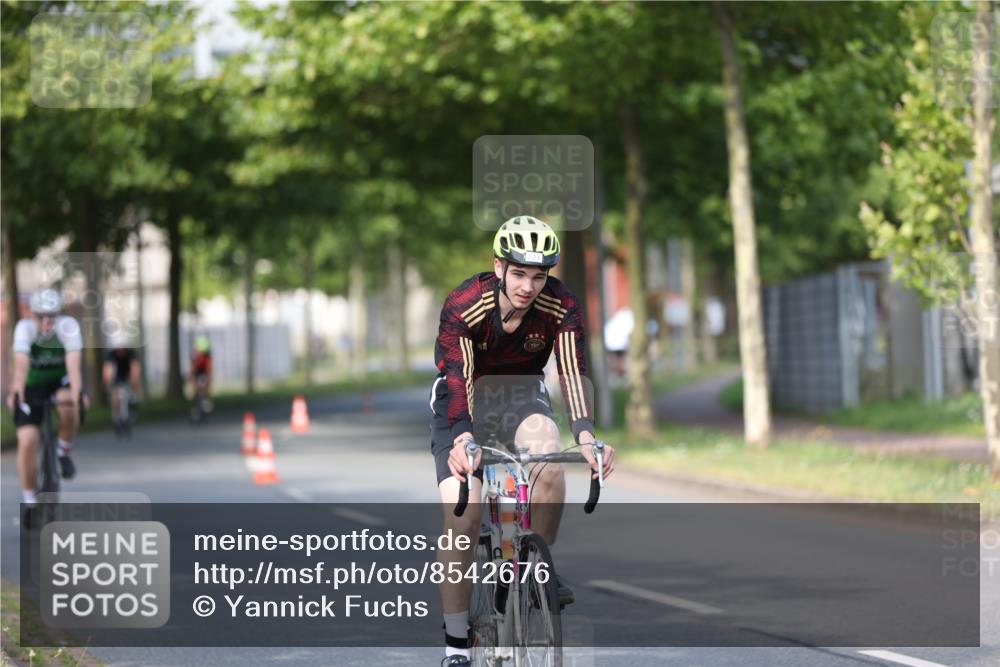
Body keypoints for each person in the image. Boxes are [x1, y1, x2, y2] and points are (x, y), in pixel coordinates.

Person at [430, 216, 616, 667]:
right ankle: (456, 645)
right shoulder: (465, 304)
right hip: (463, 404)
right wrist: (463, 438)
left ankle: (534, 571)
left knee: (549, 461)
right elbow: (458, 377)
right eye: (518, 273)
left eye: (538, 275)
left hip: (522, 395)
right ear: (498, 266)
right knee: (463, 515)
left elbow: (571, 371)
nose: (528, 286)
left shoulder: (560, 304)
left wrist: (587, 437)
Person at [6, 288, 85, 510]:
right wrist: (17, 390)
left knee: (69, 404)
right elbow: (21, 363)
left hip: (59, 381)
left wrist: (78, 392)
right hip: (32, 386)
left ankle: (63, 450)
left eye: (52, 315)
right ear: (31, 314)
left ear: (59, 314)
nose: (47, 321)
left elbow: (73, 363)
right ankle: (29, 498)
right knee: (27, 440)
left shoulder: (68, 326)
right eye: (40, 316)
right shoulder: (25, 328)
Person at [102, 336, 141, 426]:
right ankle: (116, 416)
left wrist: (134, 380)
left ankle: (134, 399)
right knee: (115, 394)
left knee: (134, 383)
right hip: (117, 374)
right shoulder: (111, 354)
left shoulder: (130, 353)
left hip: (128, 373)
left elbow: (135, 367)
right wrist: (107, 380)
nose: (121, 350)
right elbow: (107, 368)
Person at [190, 334, 213, 411]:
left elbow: (209, 368)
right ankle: (194, 402)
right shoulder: (194, 355)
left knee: (207, 385)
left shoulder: (207, 355)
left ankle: (207, 400)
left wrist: (209, 378)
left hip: (204, 371)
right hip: (197, 371)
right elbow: (193, 367)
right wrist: (192, 376)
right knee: (194, 387)